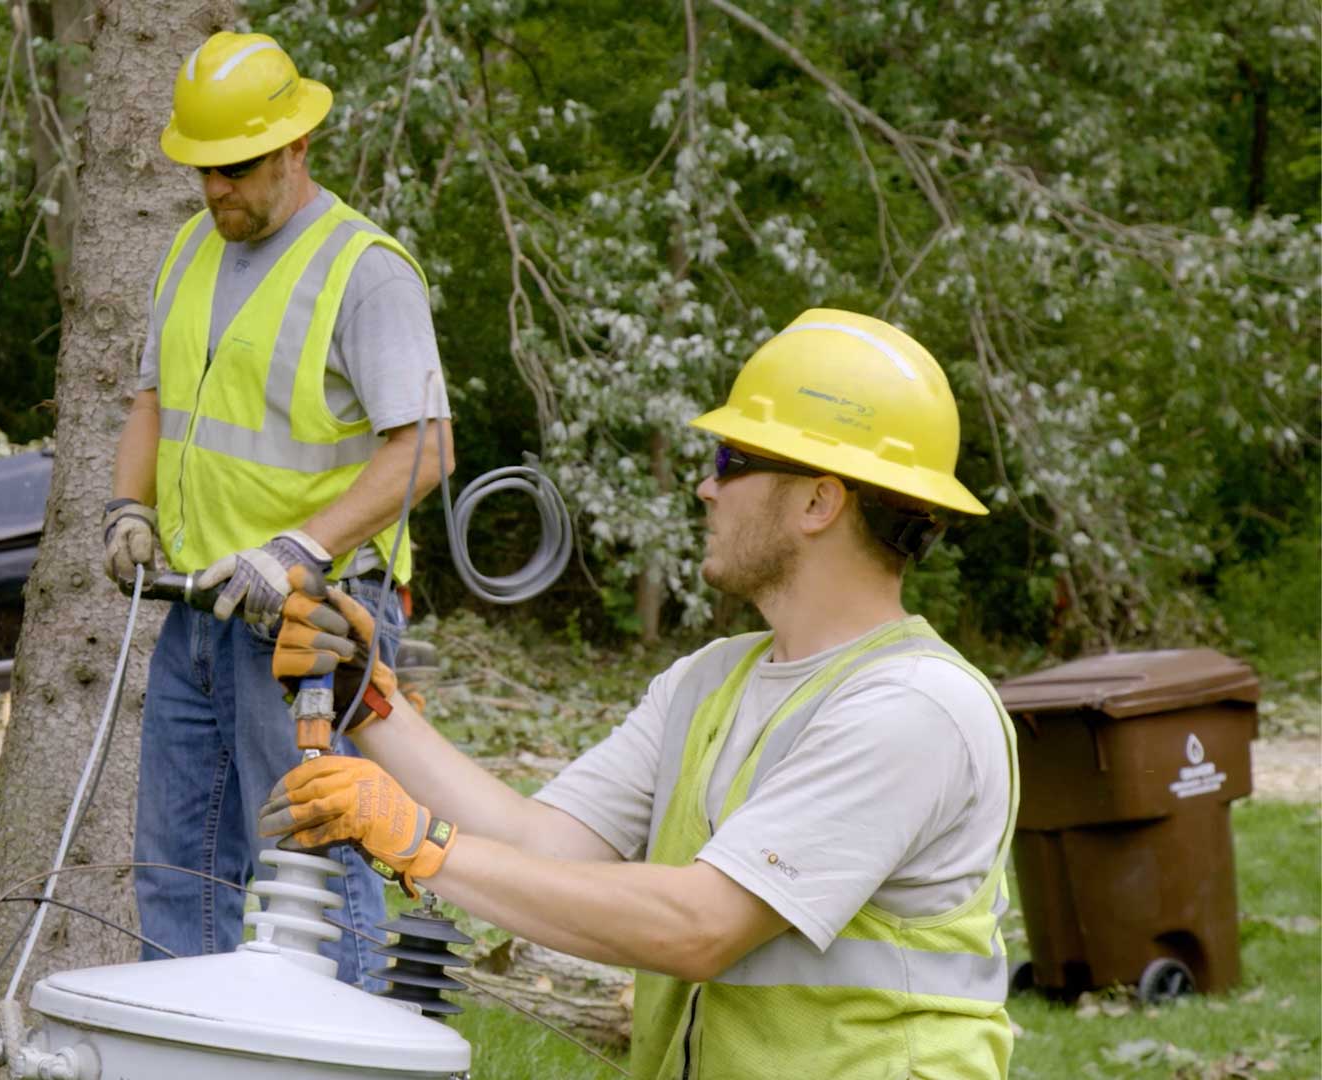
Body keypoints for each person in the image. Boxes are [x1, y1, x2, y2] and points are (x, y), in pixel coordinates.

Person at [262, 309, 1019, 1079]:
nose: (704, 487)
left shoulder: (914, 708)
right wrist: (372, 708)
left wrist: (420, 846)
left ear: (818, 502)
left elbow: (700, 926)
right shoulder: (710, 680)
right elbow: (541, 846)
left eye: (730, 459)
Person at [101, 30, 453, 987]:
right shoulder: (188, 249)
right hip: (196, 616)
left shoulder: (365, 270)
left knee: (324, 878)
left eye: (238, 168)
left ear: (297, 147)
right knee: (177, 876)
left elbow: (425, 449)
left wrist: (299, 547)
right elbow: (152, 401)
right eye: (203, 170)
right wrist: (124, 510)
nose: (218, 190)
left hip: (314, 628)